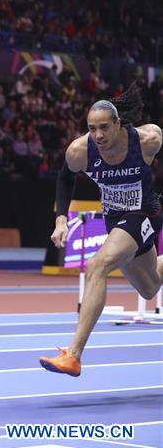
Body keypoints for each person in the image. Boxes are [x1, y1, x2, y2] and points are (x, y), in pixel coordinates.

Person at [42, 84, 163, 377]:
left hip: (144, 212)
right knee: (149, 288)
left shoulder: (147, 139)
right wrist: (61, 218)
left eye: (105, 128)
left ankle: (74, 355)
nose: (98, 135)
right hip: (115, 219)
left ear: (118, 123)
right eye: (92, 128)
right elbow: (65, 178)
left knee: (97, 265)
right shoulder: (80, 150)